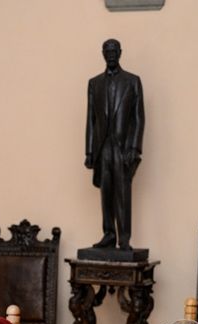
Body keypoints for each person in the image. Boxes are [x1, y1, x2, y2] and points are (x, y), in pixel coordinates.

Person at [85, 38, 144, 250]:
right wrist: (90, 151)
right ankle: (108, 234)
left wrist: (135, 149)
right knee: (106, 192)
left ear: (120, 52)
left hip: (123, 148)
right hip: (103, 147)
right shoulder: (94, 83)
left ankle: (124, 238)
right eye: (107, 51)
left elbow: (138, 118)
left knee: (122, 193)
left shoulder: (132, 81)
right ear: (102, 53)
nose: (111, 54)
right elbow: (91, 119)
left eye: (114, 51)